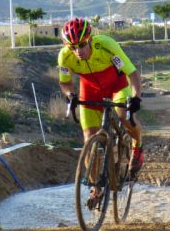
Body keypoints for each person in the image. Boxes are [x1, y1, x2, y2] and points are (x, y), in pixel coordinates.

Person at [58, 18, 144, 176]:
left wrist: (136, 97)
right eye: (72, 47)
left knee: (124, 116)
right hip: (90, 89)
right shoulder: (64, 57)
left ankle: (137, 146)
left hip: (116, 85)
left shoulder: (106, 45)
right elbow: (65, 82)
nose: (78, 51)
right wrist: (70, 95)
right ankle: (95, 189)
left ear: (89, 39)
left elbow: (132, 73)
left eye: (82, 45)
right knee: (89, 140)